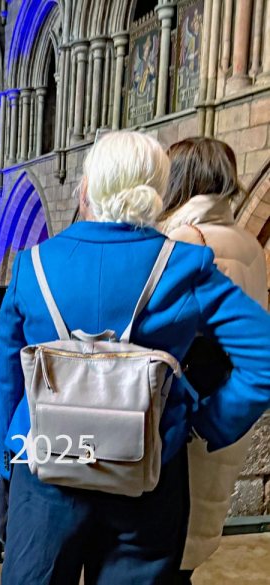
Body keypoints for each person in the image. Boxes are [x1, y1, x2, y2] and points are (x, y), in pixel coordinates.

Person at [0, 131, 270, 585]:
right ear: (157, 194)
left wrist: (10, 458)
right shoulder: (187, 266)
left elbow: (8, 377)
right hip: (148, 472)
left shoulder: (33, 264)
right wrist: (204, 422)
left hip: (45, 469)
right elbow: (262, 359)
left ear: (86, 191)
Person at [159, 137, 268, 585]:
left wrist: (202, 420)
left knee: (162, 556)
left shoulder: (188, 240)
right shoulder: (247, 242)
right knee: (185, 552)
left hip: (184, 424)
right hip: (218, 418)